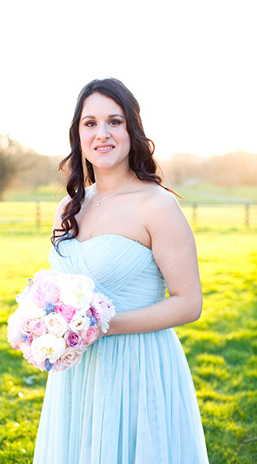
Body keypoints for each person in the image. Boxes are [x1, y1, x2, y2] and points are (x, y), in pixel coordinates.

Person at [33, 78, 209, 463]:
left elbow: (188, 303)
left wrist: (99, 325)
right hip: (77, 370)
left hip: (138, 365)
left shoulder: (157, 205)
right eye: (90, 123)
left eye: (114, 121)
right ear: (77, 134)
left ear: (133, 129)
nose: (102, 134)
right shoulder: (68, 208)